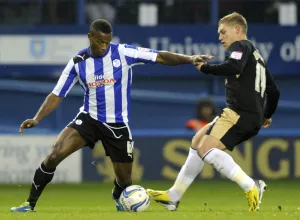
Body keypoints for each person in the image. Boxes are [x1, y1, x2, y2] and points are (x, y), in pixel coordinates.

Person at [10, 19, 212, 213]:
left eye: (107, 42)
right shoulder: (78, 62)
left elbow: (160, 56)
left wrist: (189, 59)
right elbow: (56, 94)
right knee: (54, 155)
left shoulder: (123, 52)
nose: (104, 47)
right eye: (99, 42)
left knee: (125, 182)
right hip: (89, 119)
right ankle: (29, 203)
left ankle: (118, 196)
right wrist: (37, 118)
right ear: (90, 37)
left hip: (117, 125)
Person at [147, 12, 280, 212]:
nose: (220, 37)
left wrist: (205, 68)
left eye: (223, 32)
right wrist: (267, 114)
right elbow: (274, 91)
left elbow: (232, 65)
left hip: (238, 113)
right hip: (246, 115)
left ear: (237, 30)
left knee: (206, 150)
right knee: (197, 141)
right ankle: (173, 196)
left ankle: (250, 185)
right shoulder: (257, 56)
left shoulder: (240, 46)